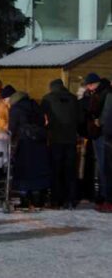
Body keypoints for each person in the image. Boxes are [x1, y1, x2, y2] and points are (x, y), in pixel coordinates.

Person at [41, 79, 79, 209]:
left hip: (55, 139)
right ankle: (71, 199)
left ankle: (56, 199)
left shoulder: (47, 99)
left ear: (51, 87)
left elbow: (41, 118)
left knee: (56, 170)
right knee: (70, 170)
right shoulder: (73, 98)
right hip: (71, 139)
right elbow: (79, 118)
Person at [9, 90, 50, 210]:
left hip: (25, 144)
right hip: (39, 143)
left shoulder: (15, 109)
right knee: (38, 170)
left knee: (24, 171)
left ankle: (25, 199)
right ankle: (38, 199)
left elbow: (11, 129)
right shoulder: (36, 106)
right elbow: (43, 122)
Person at [84, 73, 111, 203]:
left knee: (103, 165)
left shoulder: (105, 93)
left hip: (101, 133)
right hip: (97, 132)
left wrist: (99, 122)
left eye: (89, 85)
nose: (88, 87)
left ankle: (104, 194)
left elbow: (106, 112)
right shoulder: (98, 93)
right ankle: (102, 193)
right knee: (101, 165)